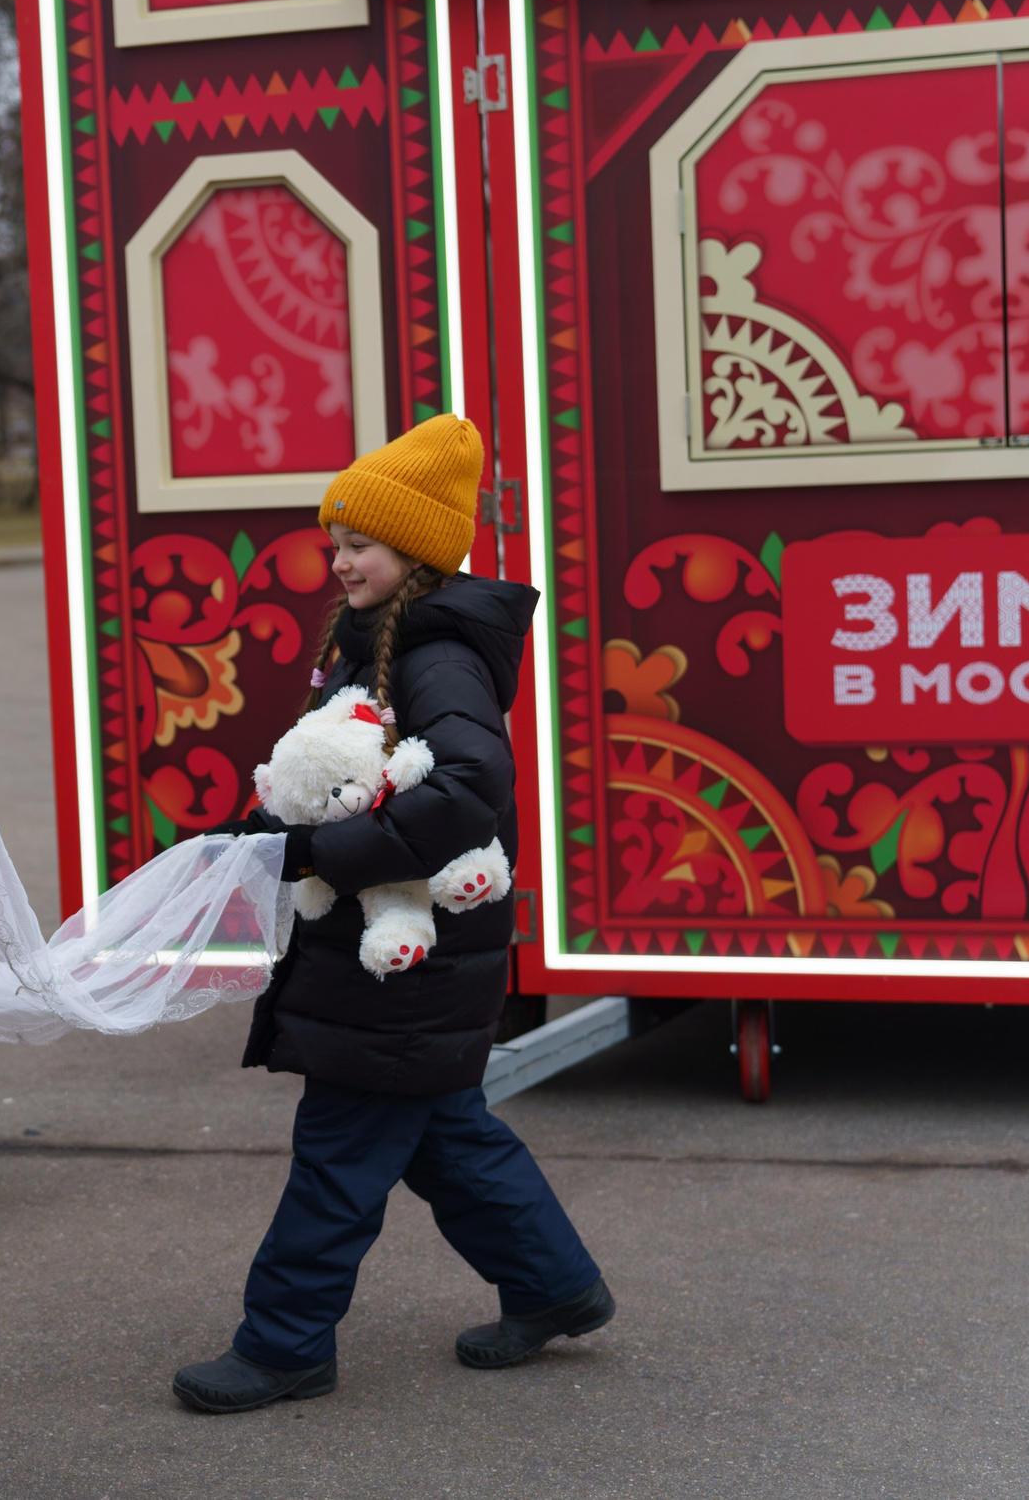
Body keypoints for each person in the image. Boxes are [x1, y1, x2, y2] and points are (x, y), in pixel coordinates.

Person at [171, 414, 614, 1415]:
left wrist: (322, 854)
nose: (339, 561)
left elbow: (467, 785)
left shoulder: (435, 655)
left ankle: (284, 1345)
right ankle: (553, 1285)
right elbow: (347, 778)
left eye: (358, 543)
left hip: (407, 955)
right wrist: (252, 836)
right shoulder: (384, 640)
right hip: (403, 950)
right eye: (334, 543)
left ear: (413, 550)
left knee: (338, 1157)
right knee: (444, 1134)